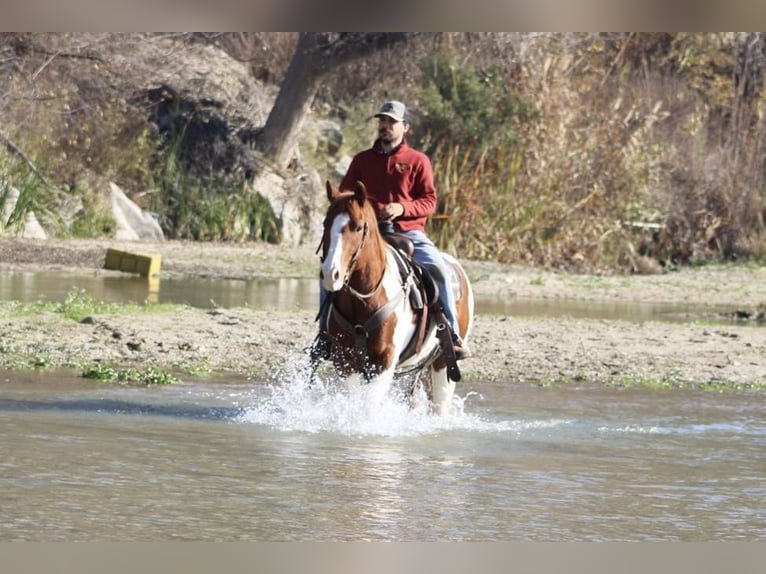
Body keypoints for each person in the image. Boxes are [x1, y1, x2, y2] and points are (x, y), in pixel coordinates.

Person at [310, 100, 469, 364]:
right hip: (366, 236)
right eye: (382, 121)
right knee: (328, 271)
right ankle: (324, 335)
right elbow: (347, 197)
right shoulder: (362, 160)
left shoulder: (417, 161)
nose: (385, 126)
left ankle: (452, 334)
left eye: (391, 122)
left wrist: (402, 208)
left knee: (438, 269)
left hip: (409, 234)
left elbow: (429, 201)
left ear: (405, 127)